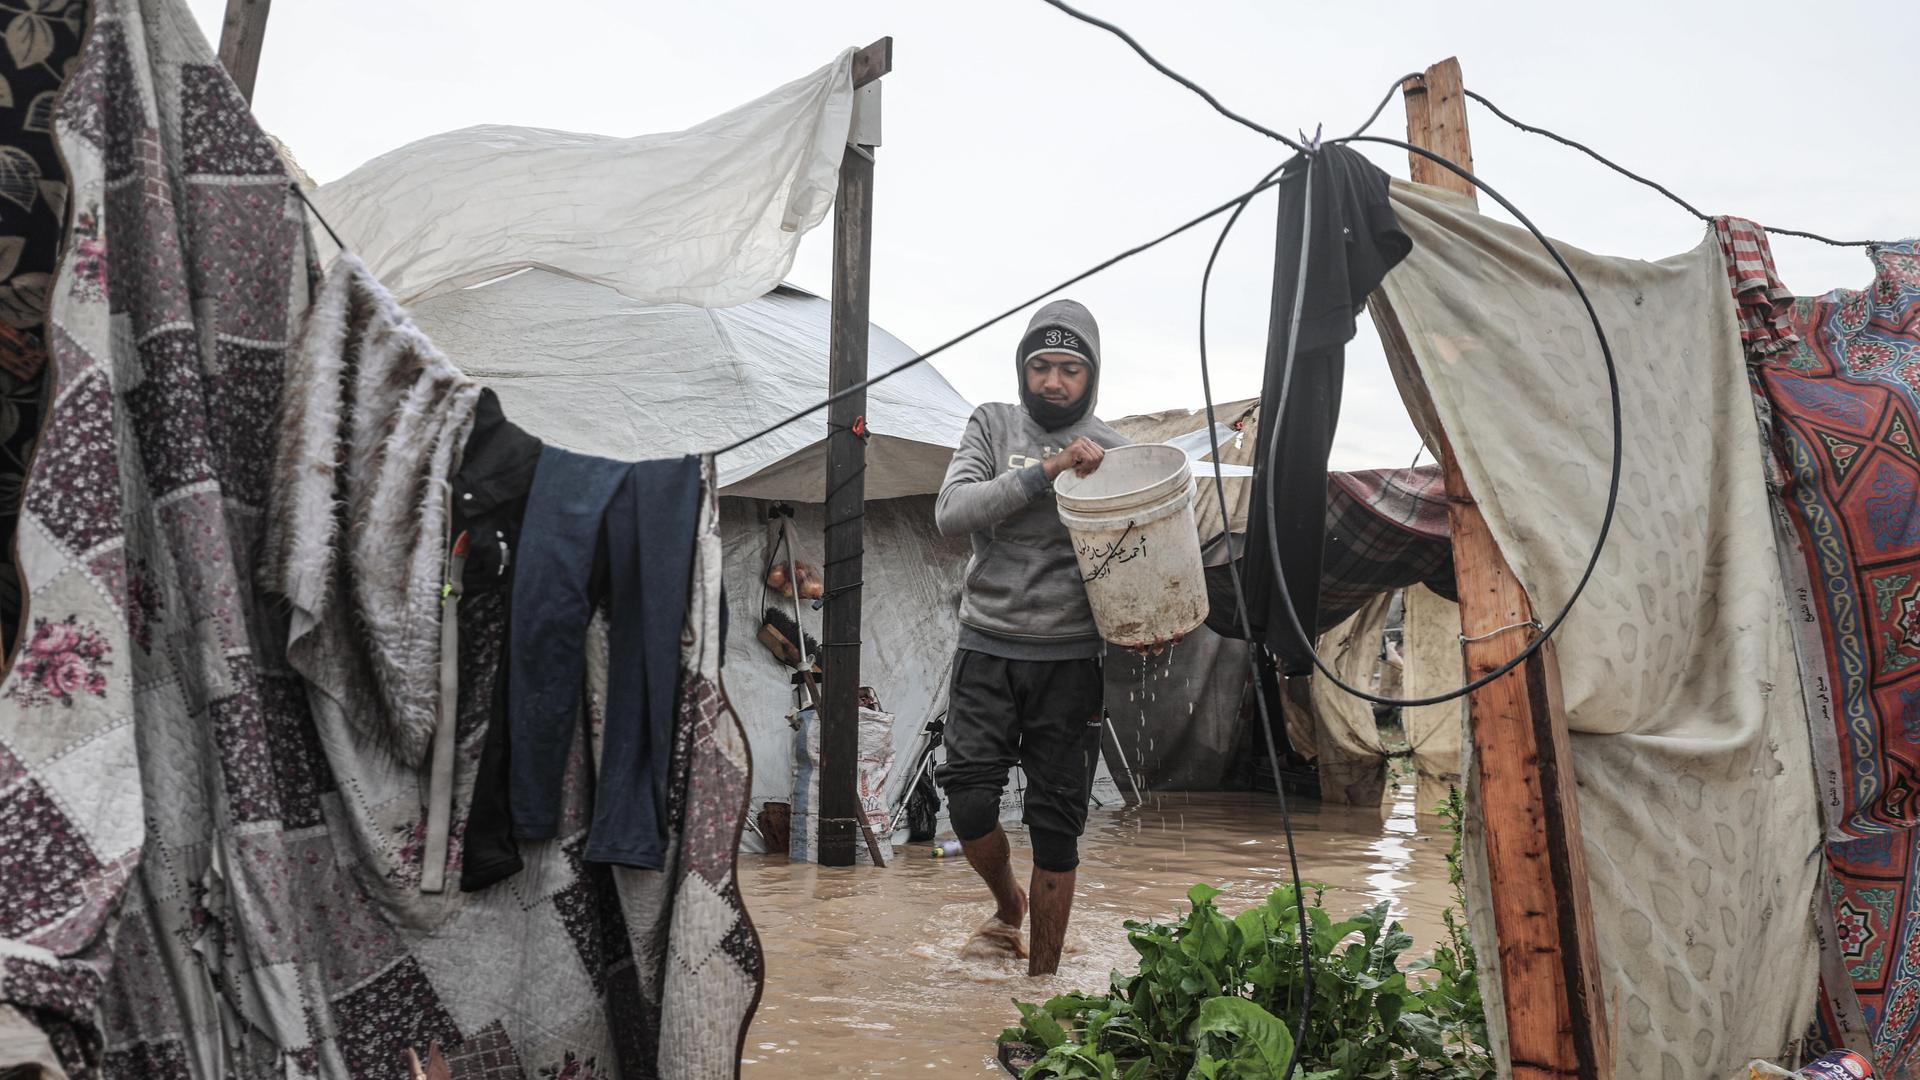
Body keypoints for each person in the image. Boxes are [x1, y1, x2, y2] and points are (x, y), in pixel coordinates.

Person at [932, 298, 1126, 976]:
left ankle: (1042, 984)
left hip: (1071, 659)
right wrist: (1046, 470)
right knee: (968, 804)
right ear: (1023, 369)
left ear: (1091, 374)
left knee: (1057, 826)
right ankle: (1008, 904)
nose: (1053, 381)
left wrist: (1151, 624)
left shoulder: (1115, 451)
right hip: (988, 644)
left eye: (1070, 368)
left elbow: (1135, 556)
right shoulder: (992, 424)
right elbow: (952, 512)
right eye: (1040, 365)